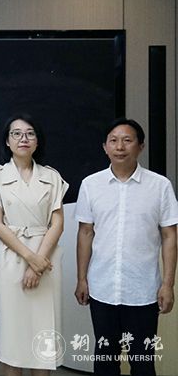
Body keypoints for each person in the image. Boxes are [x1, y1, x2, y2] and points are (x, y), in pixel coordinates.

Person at [74, 118, 177, 376]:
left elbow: (169, 235)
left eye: (127, 140)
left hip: (143, 290)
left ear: (140, 146)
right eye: (114, 141)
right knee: (105, 360)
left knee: (143, 362)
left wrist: (168, 284)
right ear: (105, 147)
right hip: (102, 288)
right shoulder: (91, 184)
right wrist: (81, 279)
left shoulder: (160, 186)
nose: (120, 147)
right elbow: (85, 233)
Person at [0, 114, 66, 375]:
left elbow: (57, 224)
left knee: (43, 338)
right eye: (16, 133)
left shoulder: (52, 177)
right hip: (12, 257)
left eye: (30, 133)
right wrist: (31, 258)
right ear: (7, 141)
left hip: (46, 259)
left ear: (38, 141)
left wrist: (38, 263)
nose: (23, 139)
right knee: (13, 341)